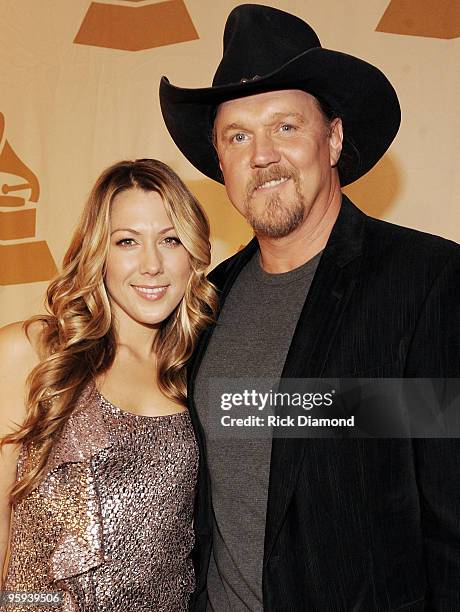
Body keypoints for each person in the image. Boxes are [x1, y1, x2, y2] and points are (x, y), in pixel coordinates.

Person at [159, 4, 460, 611]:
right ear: (220, 162)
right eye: (238, 136)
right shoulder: (201, 303)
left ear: (335, 139)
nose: (262, 155)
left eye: (286, 127)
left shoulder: (428, 283)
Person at [0, 159, 217, 611]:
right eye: (128, 241)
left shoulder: (199, 372)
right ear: (98, 251)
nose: (152, 264)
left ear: (193, 252)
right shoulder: (33, 353)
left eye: (170, 239)